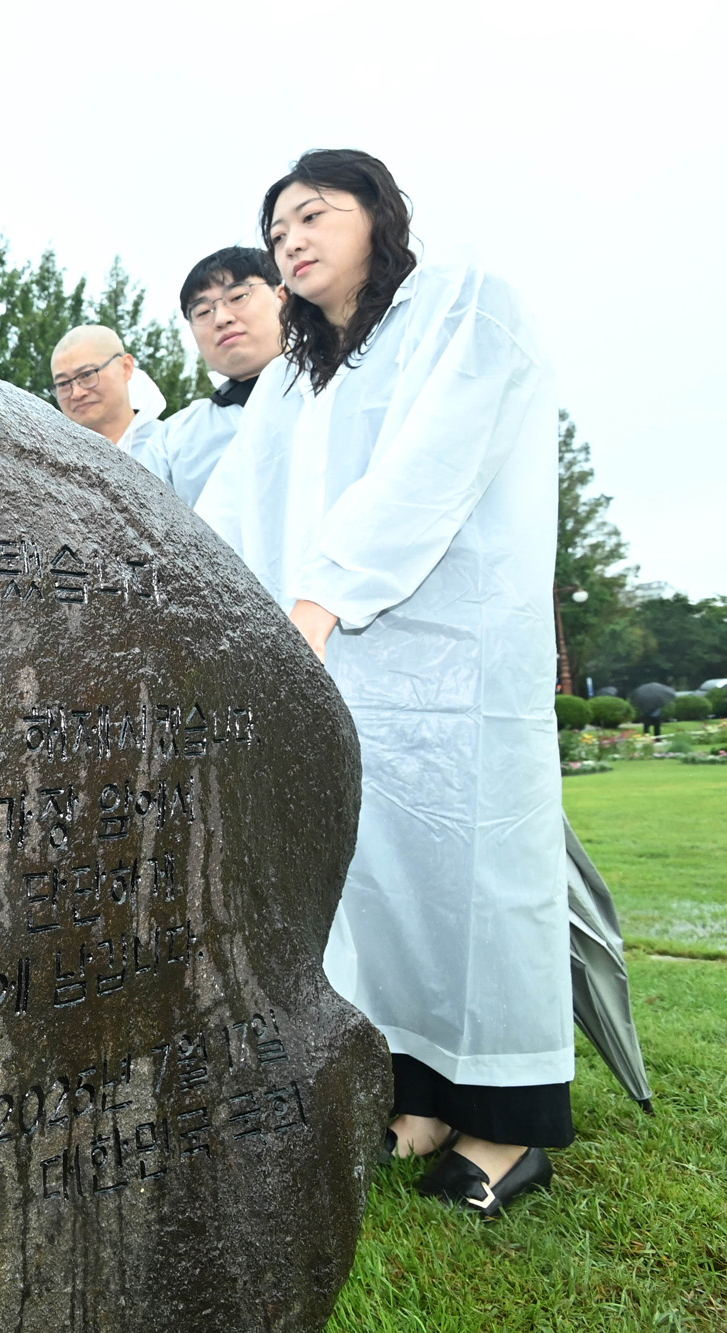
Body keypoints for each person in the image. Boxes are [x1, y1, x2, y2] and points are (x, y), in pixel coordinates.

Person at [196, 150, 570, 1218]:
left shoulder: (462, 302)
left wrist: (323, 592)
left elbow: (434, 462)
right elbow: (227, 515)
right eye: (275, 236)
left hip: (454, 658)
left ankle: (505, 1124)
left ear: (376, 215)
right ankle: (419, 1090)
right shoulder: (299, 375)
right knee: (379, 877)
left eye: (311, 216)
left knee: (476, 879)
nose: (291, 243)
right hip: (350, 672)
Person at [133, 247, 284, 505]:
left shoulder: (344, 387)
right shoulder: (172, 442)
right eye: (202, 312)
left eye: (238, 296)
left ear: (283, 297)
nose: (222, 319)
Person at [50, 325, 164, 459]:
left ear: (125, 367)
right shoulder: (55, 457)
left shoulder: (171, 447)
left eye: (87, 375)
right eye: (63, 384)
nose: (76, 394)